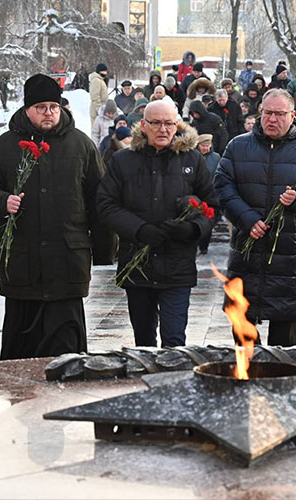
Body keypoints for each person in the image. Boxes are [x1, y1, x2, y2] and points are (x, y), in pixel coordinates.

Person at [0, 74, 114, 360]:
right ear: (27, 110)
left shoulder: (80, 145)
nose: (48, 112)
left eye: (54, 106)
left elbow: (101, 200)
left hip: (67, 265)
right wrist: (2, 201)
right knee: (20, 357)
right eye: (41, 107)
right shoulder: (5, 146)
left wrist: (103, 251)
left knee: (67, 357)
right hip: (22, 266)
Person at [214, 89, 296, 346]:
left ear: (292, 115)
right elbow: (223, 188)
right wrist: (246, 219)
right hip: (247, 253)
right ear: (260, 113)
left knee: (284, 350)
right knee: (244, 341)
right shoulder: (238, 146)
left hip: (288, 257)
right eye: (268, 113)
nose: (272, 119)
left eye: (280, 114)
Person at [98, 100, 217, 348]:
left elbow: (212, 205)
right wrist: (139, 229)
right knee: (143, 342)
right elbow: (106, 205)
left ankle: (172, 386)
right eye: (156, 123)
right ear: (143, 125)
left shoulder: (192, 159)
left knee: (174, 341)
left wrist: (193, 228)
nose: (163, 129)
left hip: (177, 266)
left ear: (177, 125)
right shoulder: (123, 160)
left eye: (169, 123)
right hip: (137, 264)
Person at [195, 134, 221, 255]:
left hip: (211, 194)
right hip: (196, 194)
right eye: (203, 146)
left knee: (208, 221)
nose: (205, 148)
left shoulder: (216, 157)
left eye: (207, 145)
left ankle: (204, 246)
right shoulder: (194, 157)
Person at [89, 63, 109, 137]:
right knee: (96, 132)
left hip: (102, 109)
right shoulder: (96, 81)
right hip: (97, 111)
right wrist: (99, 109)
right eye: (104, 71)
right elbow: (95, 96)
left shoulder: (100, 80)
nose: (106, 73)